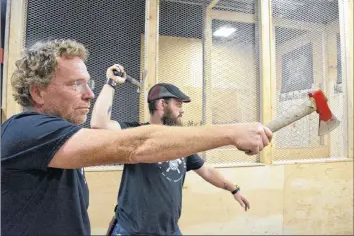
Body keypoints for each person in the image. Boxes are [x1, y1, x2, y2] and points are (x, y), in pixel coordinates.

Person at [1, 39, 272, 235]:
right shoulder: (27, 131)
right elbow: (137, 143)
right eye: (75, 85)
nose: (89, 94)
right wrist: (231, 132)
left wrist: (233, 188)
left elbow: (202, 167)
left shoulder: (59, 138)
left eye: (89, 84)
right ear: (37, 93)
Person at [90, 64, 259, 235]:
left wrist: (234, 189)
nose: (182, 111)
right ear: (162, 104)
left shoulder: (180, 142)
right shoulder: (135, 133)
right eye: (178, 104)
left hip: (169, 230)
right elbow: (99, 125)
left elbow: (205, 170)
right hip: (133, 230)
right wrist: (111, 82)